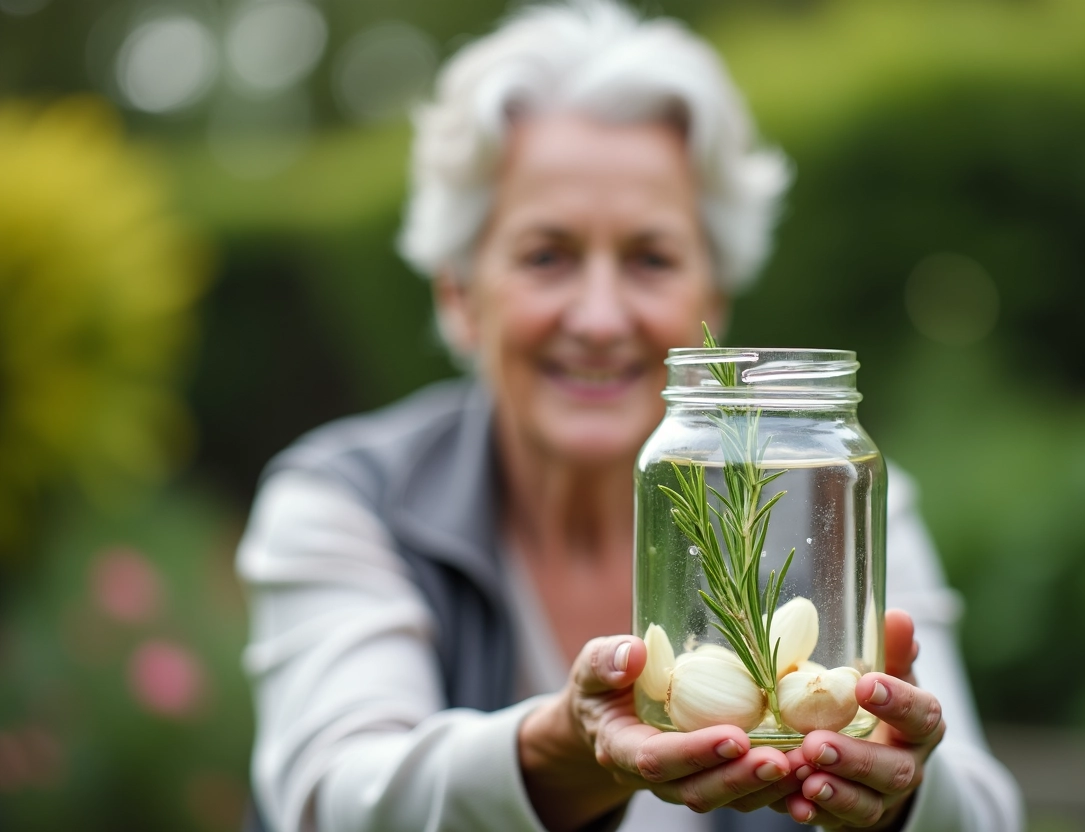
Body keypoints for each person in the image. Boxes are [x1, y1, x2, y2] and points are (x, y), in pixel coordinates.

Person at [237, 2, 1023, 830]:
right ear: (461, 297)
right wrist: (554, 754)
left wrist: (901, 797)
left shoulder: (837, 498)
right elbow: (331, 798)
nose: (602, 317)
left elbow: (984, 815)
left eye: (651, 258)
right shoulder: (342, 500)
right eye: (547, 256)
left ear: (712, 301)